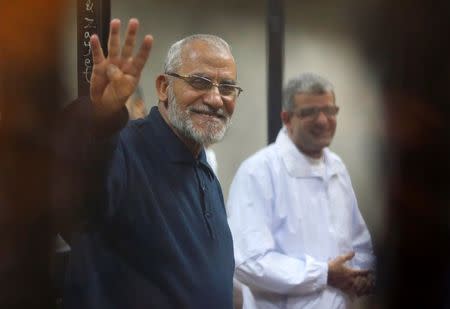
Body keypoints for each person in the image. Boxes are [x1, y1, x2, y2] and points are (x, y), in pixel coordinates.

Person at [62, 18, 243, 309]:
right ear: (163, 88)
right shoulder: (122, 149)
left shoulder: (201, 165)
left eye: (227, 87)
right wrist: (104, 120)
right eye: (200, 82)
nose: (215, 99)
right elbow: (80, 204)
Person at [227, 73, 375, 309]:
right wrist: (322, 274)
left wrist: (363, 275)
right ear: (287, 118)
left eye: (330, 111)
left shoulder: (336, 167)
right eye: (309, 113)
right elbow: (247, 262)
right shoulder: (258, 171)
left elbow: (359, 244)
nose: (323, 121)